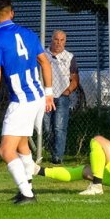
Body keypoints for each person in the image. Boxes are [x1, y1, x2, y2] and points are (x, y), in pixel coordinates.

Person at [0, 0, 54, 205]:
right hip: (38, 96)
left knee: (5, 150)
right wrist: (49, 93)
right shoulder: (29, 34)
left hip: (22, 100)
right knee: (22, 144)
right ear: (12, 13)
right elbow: (45, 63)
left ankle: (27, 194)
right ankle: (29, 186)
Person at [43, 29, 80, 164]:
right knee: (47, 127)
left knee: (59, 127)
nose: (58, 43)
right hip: (46, 96)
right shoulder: (43, 55)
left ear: (65, 41)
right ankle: (51, 151)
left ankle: (57, 157)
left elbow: (75, 79)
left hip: (62, 96)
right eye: (56, 39)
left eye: (62, 40)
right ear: (51, 39)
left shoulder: (69, 57)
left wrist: (67, 91)